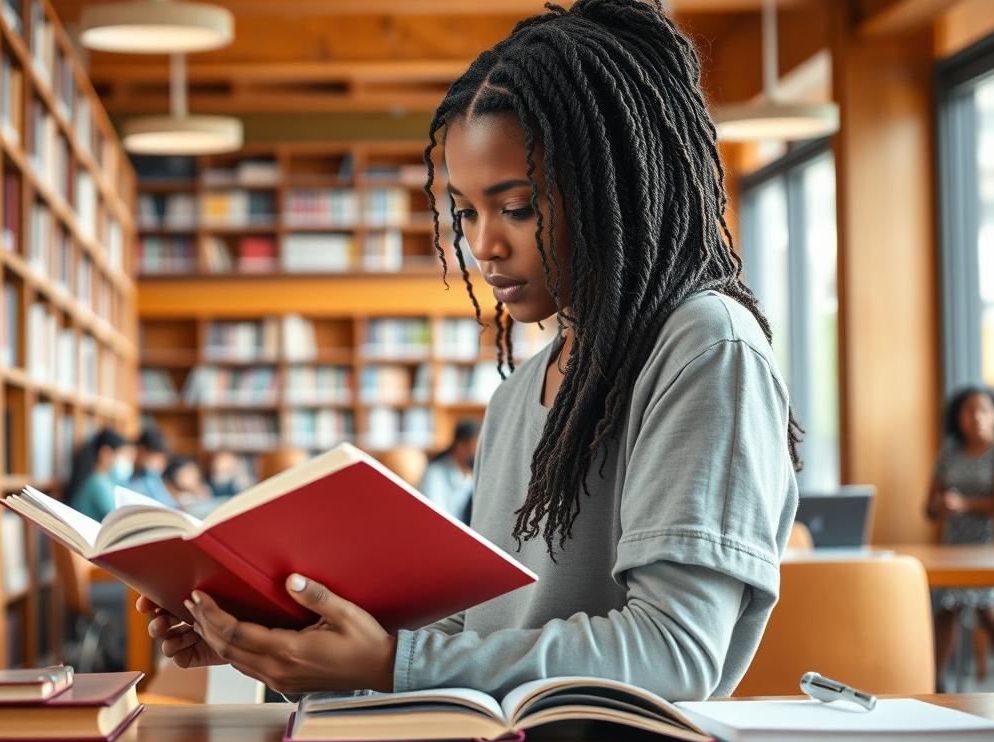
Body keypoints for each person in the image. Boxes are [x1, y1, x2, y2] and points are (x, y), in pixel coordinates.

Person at [137, 0, 798, 702]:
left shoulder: (706, 346)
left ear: (617, 193)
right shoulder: (520, 393)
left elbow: (674, 653)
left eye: (516, 207)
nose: (483, 245)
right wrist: (281, 638)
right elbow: (475, 636)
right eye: (466, 212)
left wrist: (395, 664)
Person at [926, 386, 994, 681]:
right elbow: (928, 510)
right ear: (958, 418)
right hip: (956, 547)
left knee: (987, 607)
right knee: (946, 607)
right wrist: (942, 504)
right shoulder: (950, 451)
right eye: (968, 411)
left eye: (984, 410)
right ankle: (933, 684)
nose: (977, 418)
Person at [62, 428, 134, 523]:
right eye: (123, 455)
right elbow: (121, 520)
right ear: (105, 453)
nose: (128, 461)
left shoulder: (103, 480)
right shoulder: (98, 484)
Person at [419, 419, 481, 524]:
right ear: (460, 445)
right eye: (474, 447)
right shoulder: (434, 475)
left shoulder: (472, 477)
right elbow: (435, 520)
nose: (477, 453)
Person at [125, 426, 178, 508]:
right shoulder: (128, 475)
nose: (160, 465)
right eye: (156, 458)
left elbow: (169, 504)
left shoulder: (152, 477)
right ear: (141, 450)